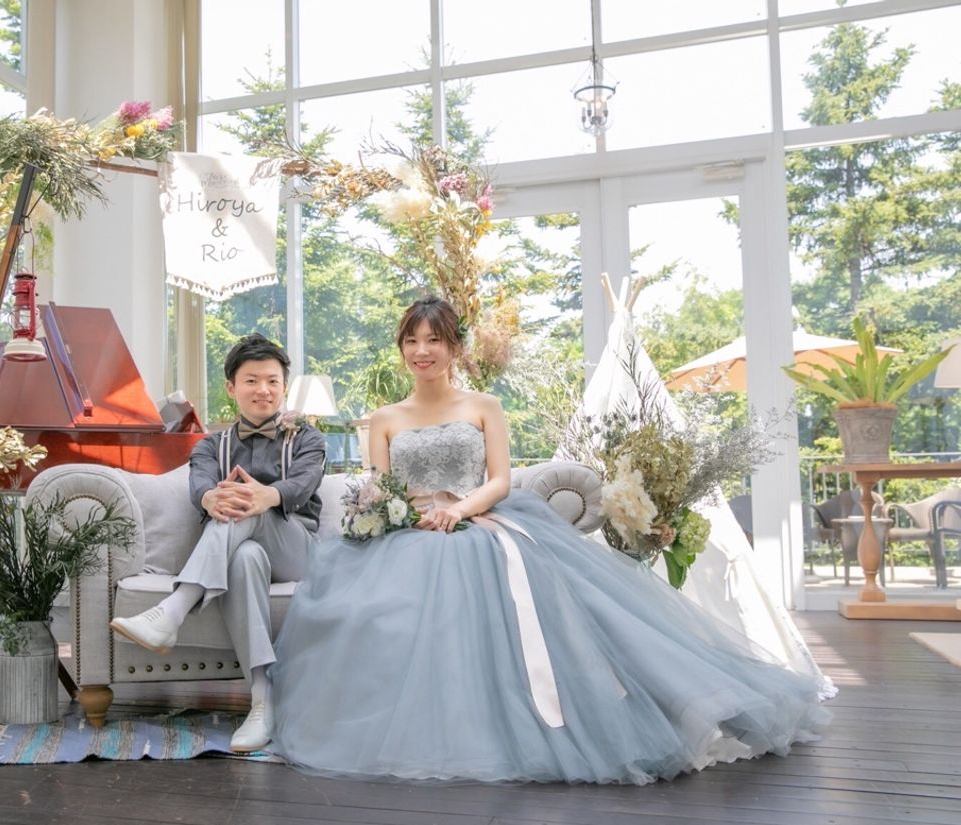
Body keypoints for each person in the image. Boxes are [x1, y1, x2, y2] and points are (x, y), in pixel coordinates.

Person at [269, 297, 829, 784]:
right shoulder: (385, 417)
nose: (422, 351)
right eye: (411, 341)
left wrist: (458, 510)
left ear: (454, 347)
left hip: (479, 522)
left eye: (433, 340)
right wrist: (402, 515)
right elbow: (379, 486)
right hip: (409, 531)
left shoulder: (483, 406)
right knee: (372, 610)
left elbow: (499, 480)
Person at [111, 333, 327, 753]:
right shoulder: (211, 445)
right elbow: (201, 485)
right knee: (243, 556)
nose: (263, 390)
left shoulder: (306, 439)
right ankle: (261, 702)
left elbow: (303, 484)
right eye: (251, 381)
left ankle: (174, 610)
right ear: (231, 387)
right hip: (245, 551)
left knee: (247, 503)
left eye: (272, 381)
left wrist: (268, 495)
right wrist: (209, 497)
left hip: (296, 549)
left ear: (284, 386)